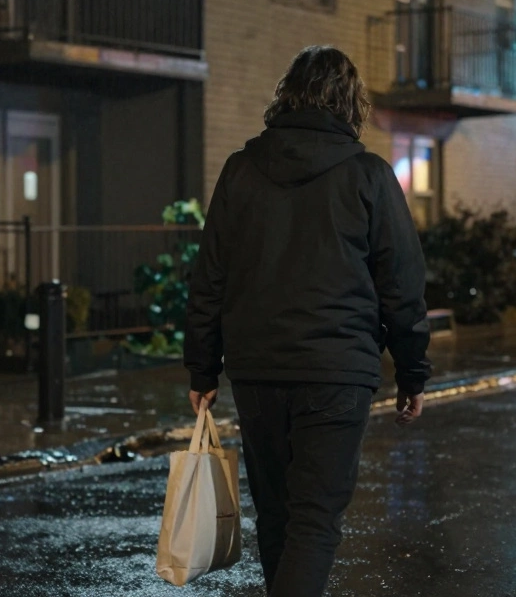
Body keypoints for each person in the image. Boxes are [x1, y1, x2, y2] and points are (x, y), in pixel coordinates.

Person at [184, 45, 432, 596]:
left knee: (277, 517)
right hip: (336, 371)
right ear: (350, 103)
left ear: (287, 95)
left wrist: (202, 369)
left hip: (258, 370)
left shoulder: (242, 170)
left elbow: (210, 277)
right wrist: (412, 372)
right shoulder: (368, 176)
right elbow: (402, 284)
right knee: (314, 521)